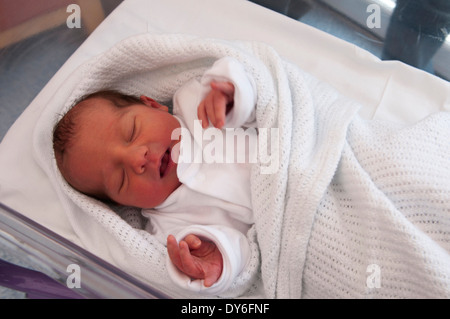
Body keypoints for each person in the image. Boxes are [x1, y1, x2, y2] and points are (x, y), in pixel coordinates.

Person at [52, 57, 257, 294]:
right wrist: (219, 260)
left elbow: (255, 88)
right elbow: (247, 256)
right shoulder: (171, 232)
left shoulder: (195, 104)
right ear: (123, 203)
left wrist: (233, 96)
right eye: (120, 179)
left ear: (152, 104)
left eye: (132, 132)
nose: (137, 159)